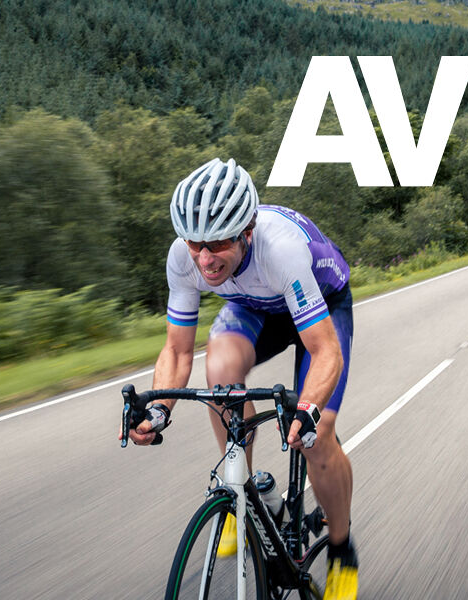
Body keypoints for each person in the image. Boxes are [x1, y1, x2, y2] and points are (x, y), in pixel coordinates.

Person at [125, 157, 358, 599]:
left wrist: (309, 410)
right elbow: (177, 350)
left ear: (247, 231)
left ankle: (342, 548)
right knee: (219, 371)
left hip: (320, 304)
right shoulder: (183, 258)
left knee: (317, 437)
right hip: (256, 304)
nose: (205, 259)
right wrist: (157, 410)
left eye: (217, 244)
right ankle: (242, 495)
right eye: (195, 243)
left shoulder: (280, 249)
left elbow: (325, 351)